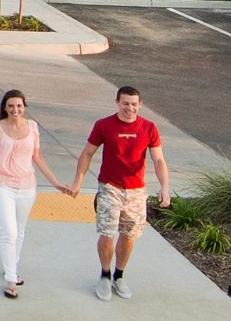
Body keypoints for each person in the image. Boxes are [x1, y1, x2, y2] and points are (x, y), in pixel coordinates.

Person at [66, 86, 170, 301]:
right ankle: (104, 275)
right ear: (117, 103)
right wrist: (78, 181)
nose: (129, 108)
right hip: (110, 187)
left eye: (134, 104)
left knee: (129, 235)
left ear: (140, 105)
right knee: (107, 232)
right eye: (125, 103)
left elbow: (158, 160)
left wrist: (164, 186)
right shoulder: (104, 125)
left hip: (136, 190)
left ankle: (119, 275)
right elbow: (87, 153)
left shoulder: (149, 127)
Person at [0, 90, 67, 299]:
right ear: (5, 107)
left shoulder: (32, 127)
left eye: (19, 106)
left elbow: (37, 157)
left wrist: (55, 182)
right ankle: (11, 281)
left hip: (27, 186)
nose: (15, 110)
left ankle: (11, 268)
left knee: (20, 231)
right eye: (11, 106)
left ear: (24, 107)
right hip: (3, 185)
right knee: (9, 232)